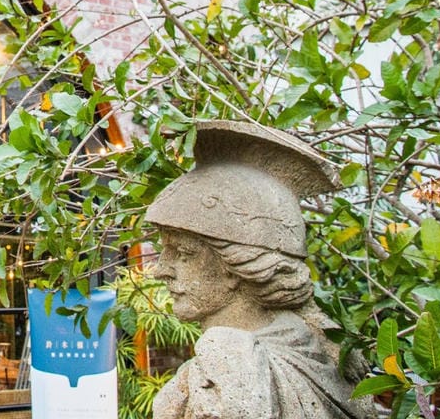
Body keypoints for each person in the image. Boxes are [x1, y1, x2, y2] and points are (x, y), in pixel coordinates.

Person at [145, 121, 377, 419]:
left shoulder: (229, 357)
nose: (161, 270)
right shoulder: (322, 352)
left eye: (183, 253)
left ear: (237, 265)